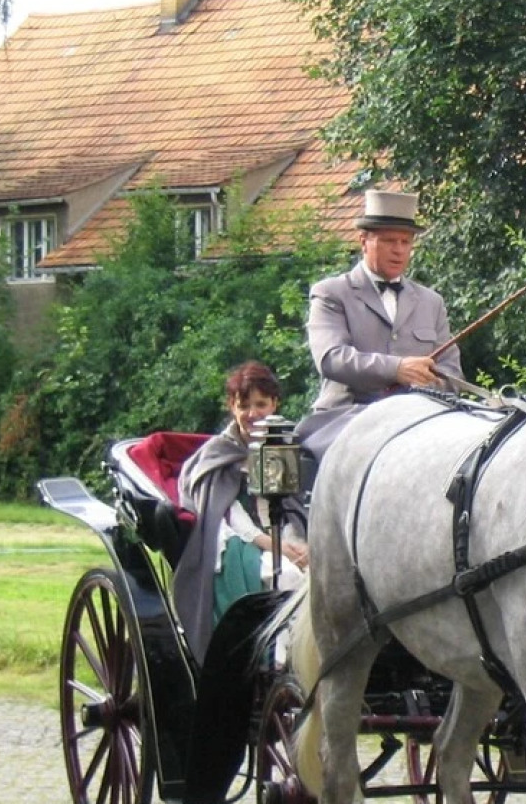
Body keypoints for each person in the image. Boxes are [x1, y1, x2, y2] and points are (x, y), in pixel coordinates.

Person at [295, 189, 463, 463]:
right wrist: (397, 370)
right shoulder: (331, 294)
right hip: (346, 421)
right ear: (364, 241)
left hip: (418, 422)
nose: (398, 250)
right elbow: (332, 359)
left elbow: (452, 376)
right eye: (388, 241)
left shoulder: (431, 302)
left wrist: (424, 386)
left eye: (405, 242)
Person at [175, 361, 308, 662]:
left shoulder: (284, 446)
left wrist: (300, 543)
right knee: (287, 578)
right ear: (231, 406)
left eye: (261, 404)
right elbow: (231, 515)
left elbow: (292, 507)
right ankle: (279, 662)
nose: (252, 413)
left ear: (275, 404)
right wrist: (280, 549)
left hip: (280, 534)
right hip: (239, 540)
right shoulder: (219, 454)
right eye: (244, 405)